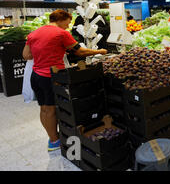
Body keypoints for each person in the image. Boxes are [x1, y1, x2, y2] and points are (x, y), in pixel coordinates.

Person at [22, 10, 107, 152]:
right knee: (51, 109)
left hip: (36, 76)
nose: (68, 27)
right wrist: (100, 52)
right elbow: (80, 52)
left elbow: (26, 55)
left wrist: (49, 52)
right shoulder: (61, 33)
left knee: (44, 108)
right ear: (61, 19)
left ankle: (52, 137)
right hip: (51, 76)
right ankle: (54, 142)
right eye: (68, 23)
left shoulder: (33, 33)